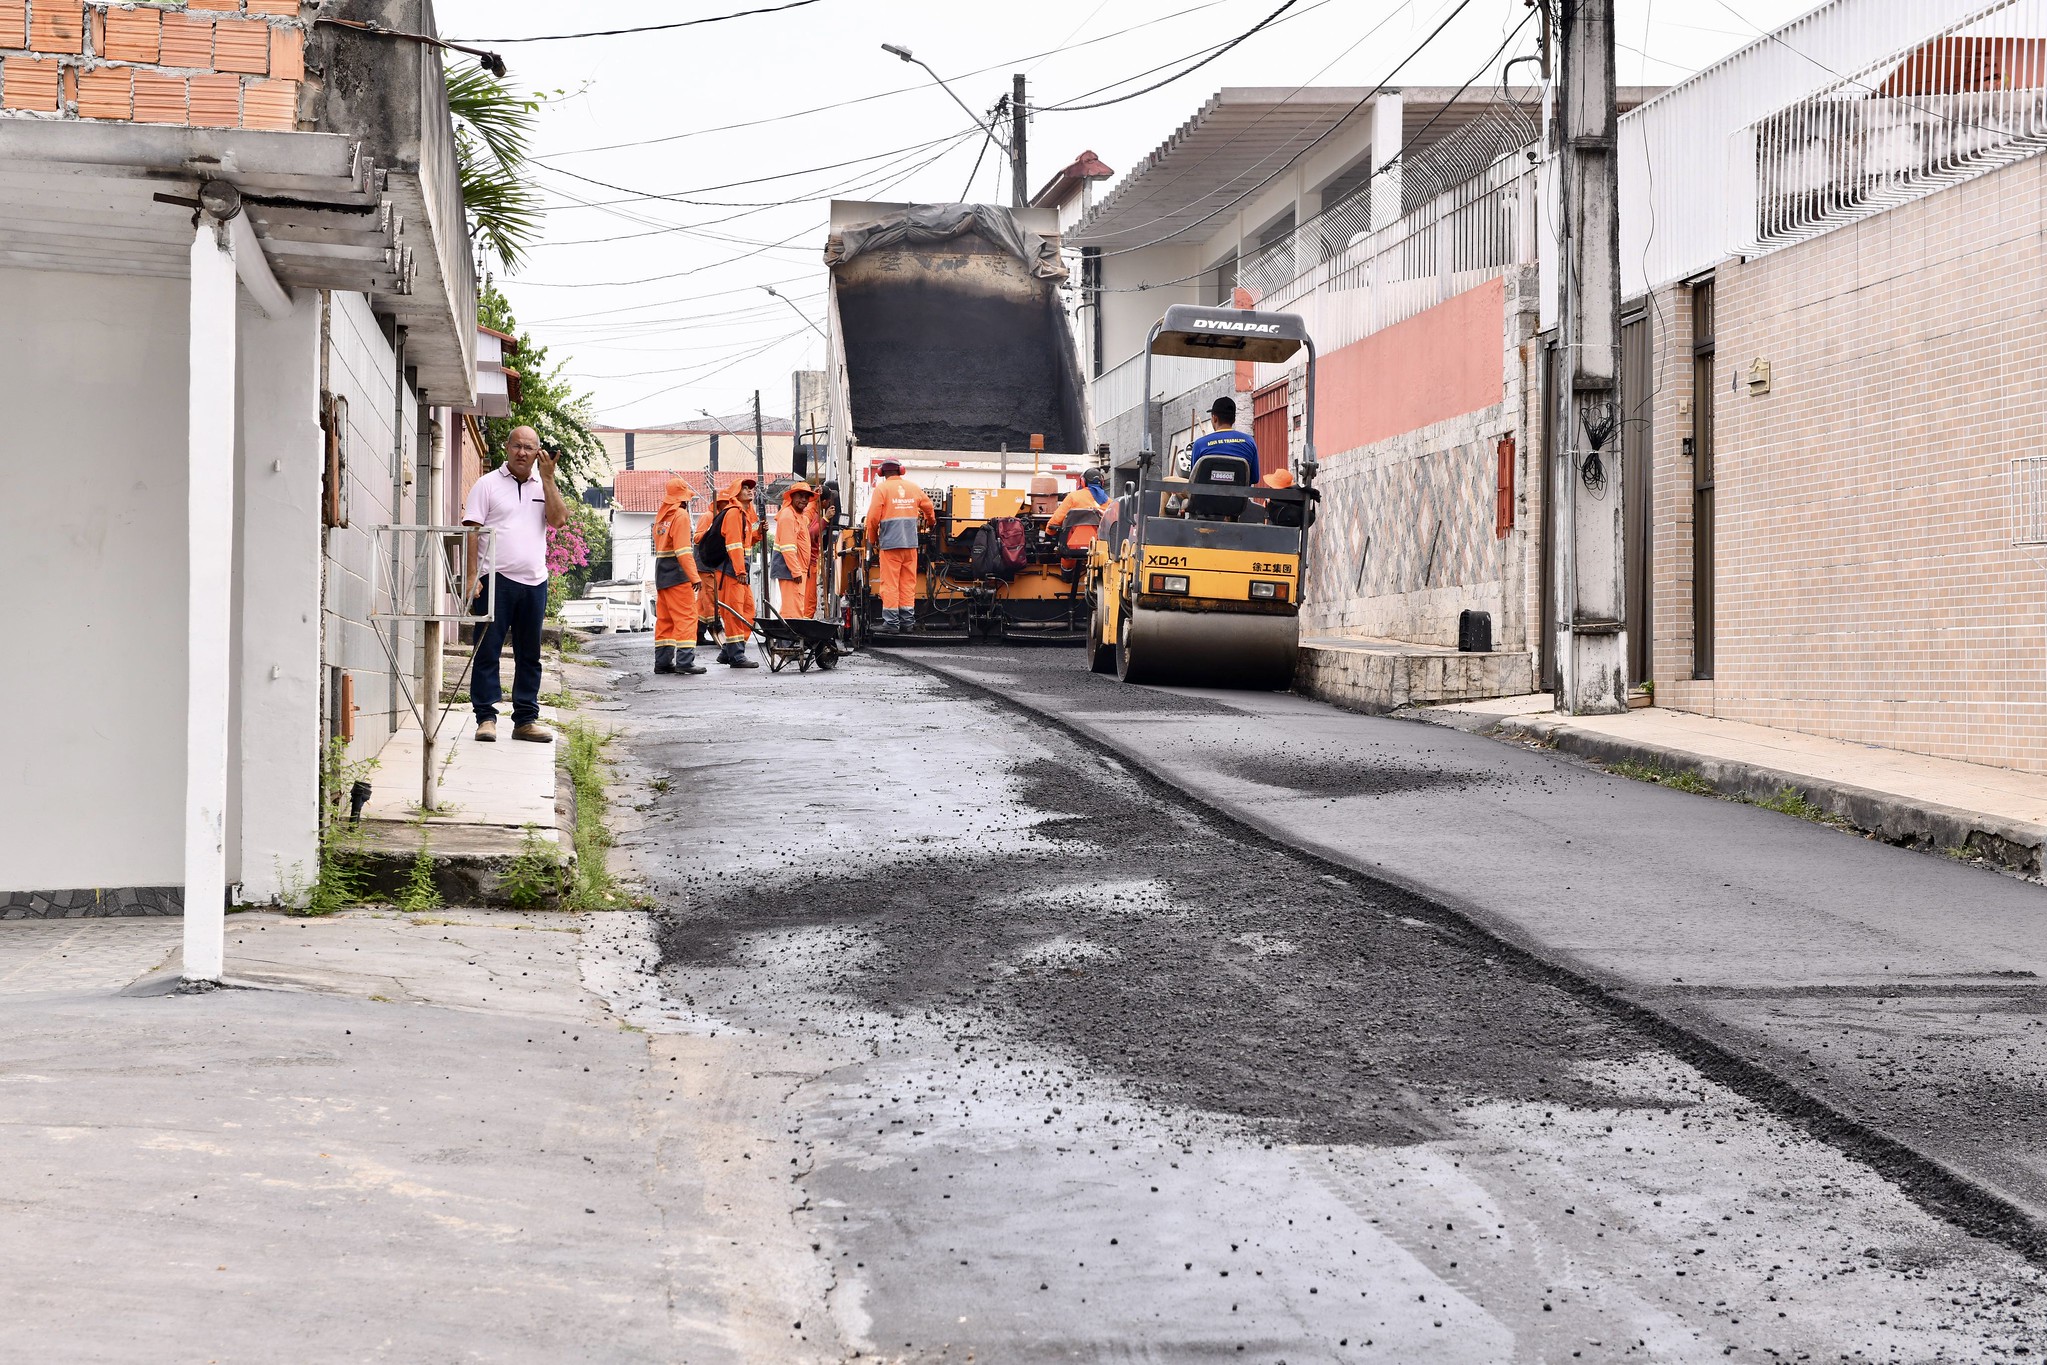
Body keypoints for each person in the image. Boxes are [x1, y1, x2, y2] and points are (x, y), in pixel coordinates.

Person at [462, 425, 566, 743]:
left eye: (529, 447)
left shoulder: (543, 485)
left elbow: (559, 519)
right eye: (517, 446)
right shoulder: (487, 484)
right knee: (487, 649)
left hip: (534, 581)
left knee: (529, 653)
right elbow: (472, 532)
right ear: (507, 448)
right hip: (495, 578)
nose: (522, 452)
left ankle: (525, 720)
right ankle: (486, 718)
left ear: (538, 453)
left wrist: (548, 479)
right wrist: (471, 577)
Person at [698, 475, 762, 667]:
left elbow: (746, 542)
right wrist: (740, 570)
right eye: (745, 488)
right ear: (737, 493)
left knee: (748, 611)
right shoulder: (733, 513)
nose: (750, 491)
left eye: (751, 488)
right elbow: (734, 545)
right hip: (731, 572)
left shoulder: (743, 515)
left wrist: (759, 533)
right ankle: (736, 655)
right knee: (735, 614)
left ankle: (727, 651)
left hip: (738, 572)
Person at [863, 459, 934, 634]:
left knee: (890, 584)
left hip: (890, 545)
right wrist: (931, 524)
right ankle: (907, 622)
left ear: (881, 473)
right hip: (910, 545)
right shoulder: (913, 488)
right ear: (901, 471)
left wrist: (872, 540)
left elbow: (872, 519)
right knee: (908, 583)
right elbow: (929, 507)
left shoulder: (882, 489)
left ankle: (891, 623)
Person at [649, 474, 707, 677]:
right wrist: (695, 577)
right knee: (687, 617)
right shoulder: (680, 516)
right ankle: (685, 661)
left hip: (662, 574)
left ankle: (663, 662)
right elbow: (683, 551)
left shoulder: (661, 517)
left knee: (665, 620)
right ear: (684, 499)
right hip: (678, 574)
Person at [769, 482, 815, 620]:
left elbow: (808, 517)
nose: (804, 500)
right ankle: (787, 640)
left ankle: (787, 640)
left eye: (807, 497)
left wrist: (814, 503)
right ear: (792, 497)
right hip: (791, 571)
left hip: (795, 570)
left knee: (795, 607)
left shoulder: (797, 516)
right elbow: (787, 548)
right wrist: (796, 571)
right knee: (792, 611)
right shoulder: (788, 516)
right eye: (801, 496)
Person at [1189, 395, 1260, 481]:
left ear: (1215, 418)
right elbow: (1254, 478)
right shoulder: (1249, 442)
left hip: (1206, 494)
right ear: (1234, 419)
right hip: (1238, 494)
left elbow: (1193, 479)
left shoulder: (1200, 444)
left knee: (1169, 480)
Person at [807, 480, 840, 618]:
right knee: (808, 601)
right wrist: (826, 519)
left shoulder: (813, 511)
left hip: (809, 560)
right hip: (808, 562)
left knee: (809, 600)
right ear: (825, 501)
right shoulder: (813, 513)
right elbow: (812, 533)